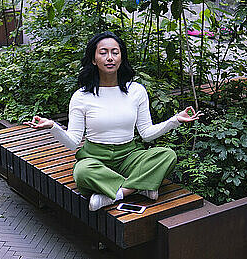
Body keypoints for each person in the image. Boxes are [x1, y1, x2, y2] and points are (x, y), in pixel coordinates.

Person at [24, 31, 200, 211]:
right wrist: (53, 127)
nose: (110, 58)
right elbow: (73, 142)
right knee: (82, 172)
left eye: (115, 52)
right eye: (103, 52)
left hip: (129, 156)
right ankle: (141, 186)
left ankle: (116, 194)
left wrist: (175, 120)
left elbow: (147, 134)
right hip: (95, 157)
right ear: (93, 59)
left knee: (167, 155)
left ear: (121, 57)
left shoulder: (136, 91)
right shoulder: (81, 96)